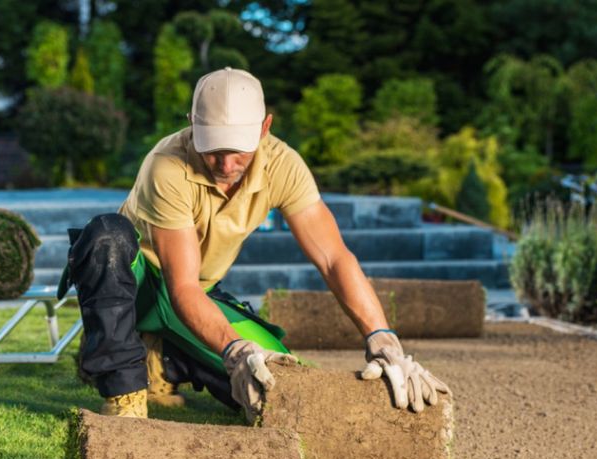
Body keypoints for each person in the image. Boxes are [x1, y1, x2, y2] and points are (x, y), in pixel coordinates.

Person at [58, 67, 449, 420]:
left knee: (279, 386)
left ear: (265, 128)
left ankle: (158, 358)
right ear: (192, 123)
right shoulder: (166, 166)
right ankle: (121, 381)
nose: (226, 166)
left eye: (238, 150)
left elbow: (333, 258)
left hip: (198, 295)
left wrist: (382, 338)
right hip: (138, 284)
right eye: (214, 149)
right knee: (107, 235)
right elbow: (181, 288)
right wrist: (236, 350)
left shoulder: (284, 165)